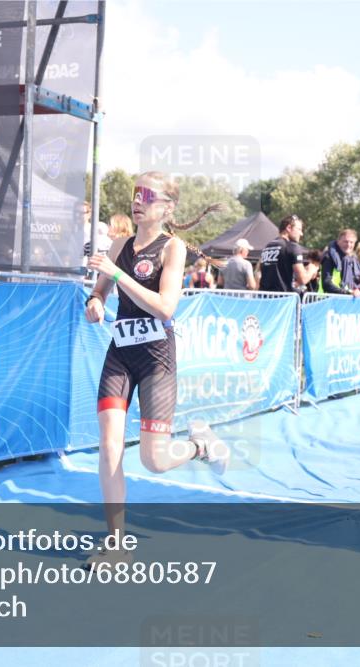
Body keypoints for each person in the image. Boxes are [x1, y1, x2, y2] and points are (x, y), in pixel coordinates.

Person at [84, 171, 229, 567]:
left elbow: (165, 307)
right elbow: (98, 291)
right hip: (120, 353)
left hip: (155, 358)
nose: (138, 200)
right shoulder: (119, 245)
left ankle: (200, 445)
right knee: (109, 443)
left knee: (154, 461)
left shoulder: (173, 248)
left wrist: (116, 277)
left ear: (167, 207)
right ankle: (117, 545)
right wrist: (95, 303)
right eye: (135, 193)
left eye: (147, 195)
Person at [259, 214, 315, 293]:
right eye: (299, 229)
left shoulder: (268, 246)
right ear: (289, 228)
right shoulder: (292, 246)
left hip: (265, 298)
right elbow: (302, 279)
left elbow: (260, 272)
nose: (301, 234)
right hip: (283, 300)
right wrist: (312, 269)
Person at [320, 228, 360, 296]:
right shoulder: (329, 258)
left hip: (344, 301)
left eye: (351, 242)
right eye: (345, 241)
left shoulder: (352, 260)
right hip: (326, 301)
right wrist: (348, 293)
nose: (348, 245)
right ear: (338, 242)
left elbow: (355, 283)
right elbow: (326, 284)